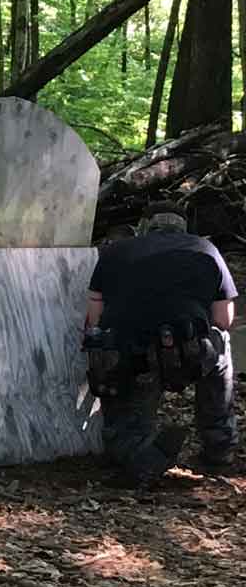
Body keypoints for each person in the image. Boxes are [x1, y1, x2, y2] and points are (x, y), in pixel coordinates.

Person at [83, 201, 237, 484]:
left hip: (127, 354)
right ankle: (218, 445)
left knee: (125, 418)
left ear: (145, 226)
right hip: (187, 350)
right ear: (183, 227)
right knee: (221, 344)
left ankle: (134, 450)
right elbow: (224, 320)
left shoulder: (114, 252)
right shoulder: (206, 249)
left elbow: (94, 319)